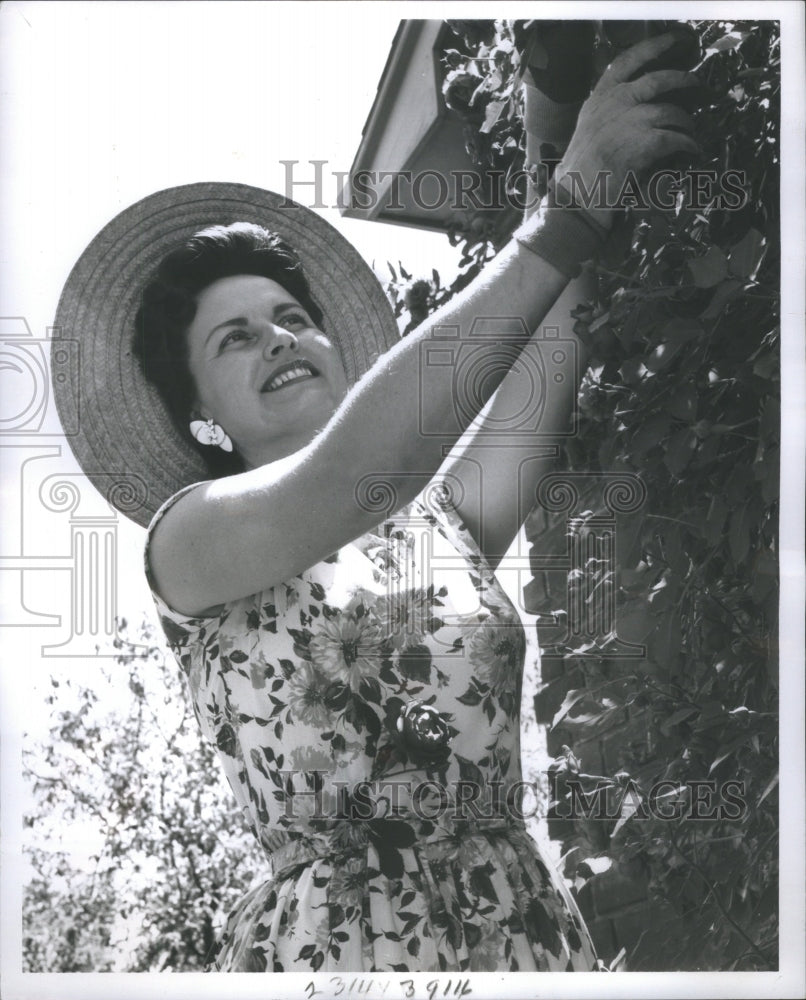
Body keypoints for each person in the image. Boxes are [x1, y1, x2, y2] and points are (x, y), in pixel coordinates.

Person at [53, 33, 699, 972]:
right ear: (200, 418)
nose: (279, 339)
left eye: (294, 319)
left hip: (516, 930)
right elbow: (356, 476)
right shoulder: (187, 542)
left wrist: (552, 129)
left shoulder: (439, 524)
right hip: (335, 951)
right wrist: (569, 208)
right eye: (234, 340)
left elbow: (552, 350)